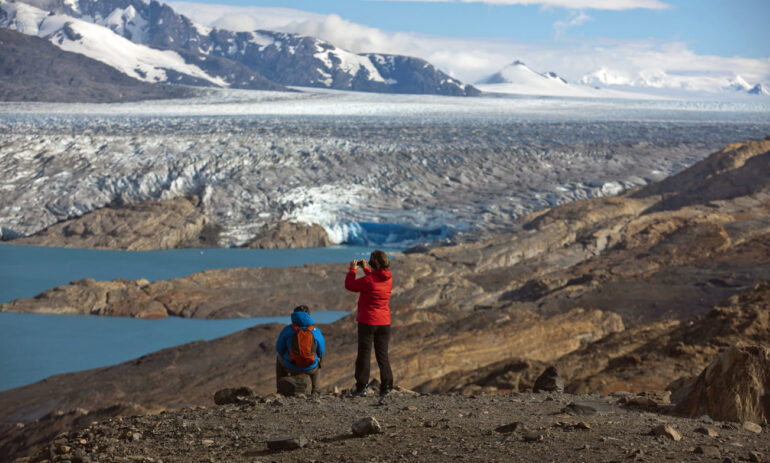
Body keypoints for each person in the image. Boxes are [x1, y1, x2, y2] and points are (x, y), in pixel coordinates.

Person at [345, 249, 394, 397]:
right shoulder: (389, 279)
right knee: (383, 355)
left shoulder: (368, 281)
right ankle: (386, 387)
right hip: (384, 323)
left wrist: (353, 270)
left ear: (373, 264)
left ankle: (361, 387)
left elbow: (350, 285)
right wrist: (366, 269)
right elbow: (375, 279)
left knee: (364, 355)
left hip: (367, 322)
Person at [275, 305, 325, 395]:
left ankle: (280, 388)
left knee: (278, 357)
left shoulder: (287, 330)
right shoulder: (315, 331)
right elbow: (321, 351)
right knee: (318, 360)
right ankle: (316, 390)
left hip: (291, 366)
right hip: (310, 368)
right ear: (309, 315)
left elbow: (279, 349)